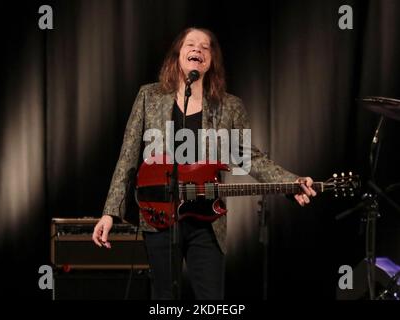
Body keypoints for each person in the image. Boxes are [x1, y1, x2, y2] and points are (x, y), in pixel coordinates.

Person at [92, 27, 317, 300]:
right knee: (164, 300)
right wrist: (109, 213)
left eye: (205, 47)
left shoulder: (230, 106)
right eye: (191, 44)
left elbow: (250, 157)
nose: (197, 49)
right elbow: (127, 155)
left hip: (207, 222)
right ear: (178, 54)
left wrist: (290, 182)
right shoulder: (149, 97)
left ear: (211, 61)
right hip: (159, 215)